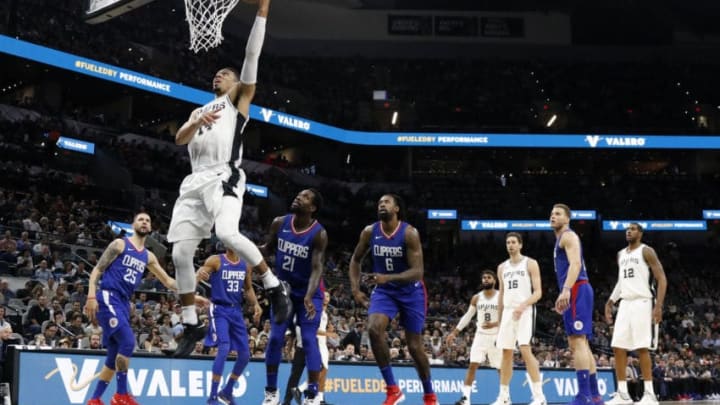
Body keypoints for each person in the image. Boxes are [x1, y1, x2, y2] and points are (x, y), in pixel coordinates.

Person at [167, 0, 290, 358]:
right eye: (216, 74)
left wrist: (262, 11)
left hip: (225, 173)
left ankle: (272, 284)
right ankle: (191, 323)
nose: (218, 76)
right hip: (194, 181)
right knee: (180, 254)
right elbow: (179, 139)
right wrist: (193, 124)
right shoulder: (199, 110)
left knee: (226, 234)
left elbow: (252, 57)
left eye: (224, 73)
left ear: (236, 83)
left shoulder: (237, 101)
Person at [349, 194, 438, 405]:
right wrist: (355, 289)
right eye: (379, 202)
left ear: (397, 208)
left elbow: (418, 272)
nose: (381, 204)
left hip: (411, 291)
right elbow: (355, 260)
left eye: (386, 202)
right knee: (373, 329)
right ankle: (392, 389)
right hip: (385, 291)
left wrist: (387, 277)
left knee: (415, 347)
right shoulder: (370, 232)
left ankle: (429, 395)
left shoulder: (409, 233)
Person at [84, 213, 177, 405]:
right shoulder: (119, 244)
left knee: (113, 356)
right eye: (141, 219)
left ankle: (94, 400)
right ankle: (120, 395)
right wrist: (91, 295)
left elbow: (168, 282)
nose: (144, 222)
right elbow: (98, 269)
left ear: (151, 228)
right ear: (133, 224)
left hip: (124, 303)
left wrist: (193, 290)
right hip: (109, 296)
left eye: (148, 220)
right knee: (128, 342)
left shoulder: (148, 256)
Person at [260, 189, 328, 405]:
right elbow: (267, 249)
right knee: (275, 338)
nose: (298, 197)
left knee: (308, 339)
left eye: (306, 197)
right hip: (284, 293)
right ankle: (271, 392)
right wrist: (245, 249)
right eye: (298, 194)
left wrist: (309, 296)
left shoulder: (318, 233)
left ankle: (312, 395)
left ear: (313, 208)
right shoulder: (279, 223)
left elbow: (317, 268)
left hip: (309, 294)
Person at [604, 223, 667, 405]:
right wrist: (610, 301)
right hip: (625, 303)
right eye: (627, 229)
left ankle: (649, 394)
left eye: (632, 229)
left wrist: (659, 306)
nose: (628, 231)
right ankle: (622, 394)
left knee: (642, 347)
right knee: (618, 346)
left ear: (640, 233)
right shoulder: (621, 254)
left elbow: (661, 279)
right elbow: (621, 281)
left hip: (643, 302)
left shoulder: (647, 251)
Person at [550, 203, 603, 405]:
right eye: (552, 214)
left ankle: (583, 395)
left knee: (577, 342)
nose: (553, 217)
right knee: (582, 343)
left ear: (567, 218)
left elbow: (576, 264)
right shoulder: (562, 238)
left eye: (558, 214)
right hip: (580, 288)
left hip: (577, 288)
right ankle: (595, 395)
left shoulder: (568, 236)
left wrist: (565, 290)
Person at [195, 247, 263, 405]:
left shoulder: (245, 265)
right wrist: (198, 275)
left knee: (245, 355)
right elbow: (197, 275)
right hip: (219, 308)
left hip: (236, 310)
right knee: (224, 348)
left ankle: (227, 391)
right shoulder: (215, 260)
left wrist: (256, 304)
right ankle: (212, 397)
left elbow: (248, 288)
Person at [488, 233, 546, 405]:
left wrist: (523, 305)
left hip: (525, 310)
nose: (510, 245)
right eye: (508, 242)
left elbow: (538, 292)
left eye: (513, 242)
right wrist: (499, 319)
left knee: (525, 350)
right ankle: (504, 397)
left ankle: (539, 397)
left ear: (520, 245)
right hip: (507, 312)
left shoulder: (530, 263)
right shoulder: (501, 267)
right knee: (505, 354)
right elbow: (502, 295)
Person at [446, 270, 502, 405]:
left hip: (497, 335)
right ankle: (465, 398)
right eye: (484, 278)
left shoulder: (501, 296)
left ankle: (504, 398)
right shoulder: (477, 297)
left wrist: (495, 323)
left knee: (500, 368)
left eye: (489, 277)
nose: (486, 279)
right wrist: (455, 332)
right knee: (472, 365)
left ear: (494, 280)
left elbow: (508, 316)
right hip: (480, 335)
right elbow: (467, 316)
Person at [293, 291, 333, 405]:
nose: (326, 298)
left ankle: (319, 398)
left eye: (328, 296)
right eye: (324, 296)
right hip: (317, 342)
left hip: (322, 343)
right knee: (319, 369)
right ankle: (301, 389)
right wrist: (329, 334)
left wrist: (328, 331)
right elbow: (313, 329)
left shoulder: (325, 312)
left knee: (323, 370)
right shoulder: (317, 309)